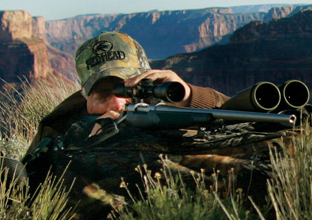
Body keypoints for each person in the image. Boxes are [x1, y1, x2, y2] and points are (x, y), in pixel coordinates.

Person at [25, 31, 229, 155]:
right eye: (103, 93)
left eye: (128, 89)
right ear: (84, 95)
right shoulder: (59, 125)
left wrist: (188, 97)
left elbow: (245, 114)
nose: (117, 103)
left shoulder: (166, 103)